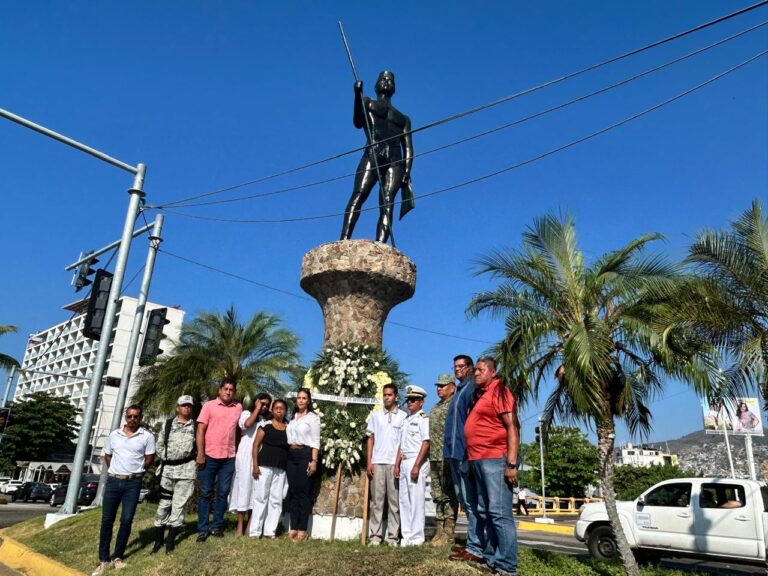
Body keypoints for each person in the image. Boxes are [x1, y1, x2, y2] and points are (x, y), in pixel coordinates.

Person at [340, 70, 414, 245]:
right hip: (373, 152)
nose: (387, 82)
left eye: (390, 80)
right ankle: (344, 239)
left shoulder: (403, 118)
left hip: (396, 160)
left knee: (388, 205)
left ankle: (381, 244)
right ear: (376, 85)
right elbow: (358, 122)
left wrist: (407, 171)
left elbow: (409, 148)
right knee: (359, 194)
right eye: (383, 79)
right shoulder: (367, 102)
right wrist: (357, 95)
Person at [463, 357, 520, 576]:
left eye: (480, 370)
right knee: (484, 510)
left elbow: (512, 426)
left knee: (499, 513)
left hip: (495, 459)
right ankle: (491, 558)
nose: (476, 373)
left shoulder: (500, 392)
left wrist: (511, 463)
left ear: (493, 372)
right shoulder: (481, 395)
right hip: (477, 460)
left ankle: (506, 567)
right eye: (475, 370)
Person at [93, 405, 155, 576]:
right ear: (125, 417)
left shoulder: (147, 436)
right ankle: (103, 559)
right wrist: (115, 469)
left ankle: (118, 556)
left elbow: (149, 458)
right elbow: (108, 455)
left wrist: (137, 471)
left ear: (141, 417)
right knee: (107, 520)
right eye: (130, 416)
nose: (133, 419)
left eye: (136, 416)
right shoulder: (114, 435)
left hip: (133, 483)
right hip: (114, 481)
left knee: (126, 520)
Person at [446, 355, 482, 560]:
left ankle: (476, 546)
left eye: (462, 366)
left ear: (470, 368)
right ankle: (472, 543)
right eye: (455, 366)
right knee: (463, 500)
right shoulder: (459, 390)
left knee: (470, 501)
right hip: (452, 453)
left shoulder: (471, 389)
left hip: (465, 453)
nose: (457, 369)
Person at [196, 380, 242, 541]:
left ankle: (216, 527)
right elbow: (200, 430)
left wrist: (236, 450)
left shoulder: (238, 408)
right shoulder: (209, 406)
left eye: (231, 390)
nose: (228, 392)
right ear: (220, 390)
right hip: (209, 456)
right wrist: (200, 453)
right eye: (225, 389)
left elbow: (238, 430)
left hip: (228, 457)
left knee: (223, 493)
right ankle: (202, 529)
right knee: (205, 493)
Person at [151, 395, 197, 555]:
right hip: (168, 471)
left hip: (186, 472)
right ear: (178, 407)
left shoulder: (196, 426)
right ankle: (158, 541)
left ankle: (170, 543)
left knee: (179, 506)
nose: (187, 408)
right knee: (164, 505)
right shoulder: (168, 424)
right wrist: (166, 459)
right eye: (184, 405)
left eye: (189, 406)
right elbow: (160, 444)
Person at [366, 382, 407, 546]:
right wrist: (369, 461)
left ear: (396, 397)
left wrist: (397, 464)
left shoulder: (403, 416)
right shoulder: (375, 416)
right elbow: (371, 439)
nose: (386, 397)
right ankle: (375, 536)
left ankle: (392, 537)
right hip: (377, 462)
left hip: (392, 464)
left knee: (394, 503)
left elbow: (402, 443)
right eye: (384, 394)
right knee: (376, 502)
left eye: (389, 395)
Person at [229, 392, 272, 536]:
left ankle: (250, 525)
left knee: (256, 490)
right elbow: (247, 424)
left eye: (267, 404)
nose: (264, 406)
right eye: (262, 403)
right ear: (255, 401)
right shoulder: (247, 413)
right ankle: (239, 526)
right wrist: (257, 409)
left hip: (260, 457)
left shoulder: (267, 420)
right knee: (244, 488)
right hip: (245, 456)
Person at [395, 385, 430, 547]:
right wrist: (397, 465)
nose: (410, 403)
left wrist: (416, 465)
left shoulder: (423, 419)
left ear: (421, 402)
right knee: (404, 500)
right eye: (408, 399)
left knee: (416, 500)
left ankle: (417, 537)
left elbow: (426, 442)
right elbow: (401, 445)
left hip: (417, 461)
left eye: (414, 400)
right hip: (404, 461)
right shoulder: (406, 420)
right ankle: (406, 536)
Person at [250, 398, 290, 539]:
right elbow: (255, 445)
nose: (279, 410)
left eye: (282, 408)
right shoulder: (265, 425)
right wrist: (255, 466)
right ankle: (255, 532)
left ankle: (269, 531)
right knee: (261, 498)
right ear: (272, 410)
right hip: (264, 466)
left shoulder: (289, 427)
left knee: (276, 500)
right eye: (276, 408)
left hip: (280, 468)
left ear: (285, 411)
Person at [285, 388, 321, 542]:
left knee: (304, 492)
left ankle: (302, 529)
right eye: (298, 397)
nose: (300, 400)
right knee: (293, 491)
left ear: (308, 401)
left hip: (305, 454)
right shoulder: (292, 419)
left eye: (304, 398)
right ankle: (293, 526)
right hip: (291, 455)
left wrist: (314, 461)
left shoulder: (313, 418)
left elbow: (315, 441)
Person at [429, 373, 457, 545]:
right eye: (438, 385)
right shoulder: (435, 407)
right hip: (434, 456)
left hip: (447, 457)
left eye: (443, 385)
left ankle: (449, 532)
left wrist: (450, 455)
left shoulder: (454, 406)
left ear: (452, 387)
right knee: (437, 494)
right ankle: (439, 531)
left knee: (448, 494)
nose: (439, 388)